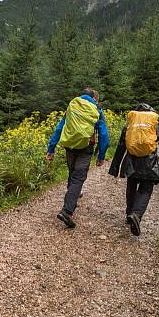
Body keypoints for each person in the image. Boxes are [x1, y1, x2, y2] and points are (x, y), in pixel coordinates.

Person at [45, 89, 109, 229]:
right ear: (94, 98)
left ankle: (72, 197)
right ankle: (67, 210)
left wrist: (51, 149)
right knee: (78, 177)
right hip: (85, 148)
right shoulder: (96, 109)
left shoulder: (72, 105)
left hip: (69, 146)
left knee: (73, 172)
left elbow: (59, 128)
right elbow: (104, 134)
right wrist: (101, 155)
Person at [108, 103, 159, 236]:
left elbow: (121, 145)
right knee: (146, 188)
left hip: (131, 161)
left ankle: (129, 213)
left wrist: (115, 167)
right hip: (149, 162)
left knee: (131, 185)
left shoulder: (130, 123)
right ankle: (136, 214)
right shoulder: (155, 122)